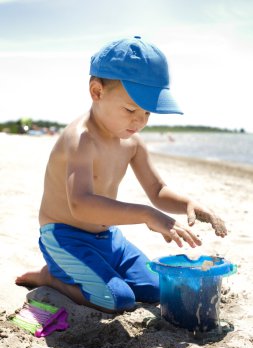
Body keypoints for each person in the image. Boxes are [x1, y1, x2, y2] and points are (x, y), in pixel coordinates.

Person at [16, 36, 227, 313]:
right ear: (97, 92)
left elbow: (157, 190)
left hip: (108, 238)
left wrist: (188, 204)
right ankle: (50, 277)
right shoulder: (80, 140)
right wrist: (147, 215)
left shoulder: (132, 142)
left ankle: (98, 268)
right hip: (66, 236)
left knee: (157, 290)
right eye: (130, 109)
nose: (139, 121)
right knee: (117, 300)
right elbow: (80, 204)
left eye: (147, 112)